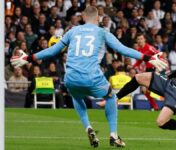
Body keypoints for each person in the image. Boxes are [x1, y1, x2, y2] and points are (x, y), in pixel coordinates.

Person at [10, 6, 167, 148]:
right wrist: (148, 58)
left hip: (70, 77)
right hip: (92, 76)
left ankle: (88, 127)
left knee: (77, 97)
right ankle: (113, 135)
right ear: (98, 18)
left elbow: (52, 51)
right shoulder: (102, 32)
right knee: (111, 97)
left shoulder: (72, 31)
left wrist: (27, 58)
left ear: (83, 17)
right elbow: (123, 49)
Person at [97, 33, 163, 110]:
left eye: (141, 39)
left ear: (145, 39)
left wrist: (158, 69)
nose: (140, 41)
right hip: (148, 70)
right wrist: (133, 67)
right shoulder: (139, 50)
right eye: (138, 39)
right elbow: (139, 61)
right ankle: (155, 107)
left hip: (155, 69)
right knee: (145, 90)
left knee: (151, 89)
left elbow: (159, 55)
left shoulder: (149, 48)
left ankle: (160, 105)